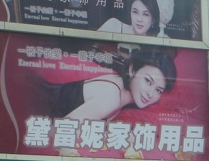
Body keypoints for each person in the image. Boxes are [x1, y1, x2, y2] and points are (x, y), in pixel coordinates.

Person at [28, 48, 177, 122]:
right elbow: (58, 131)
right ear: (132, 70)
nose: (150, 94)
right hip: (33, 103)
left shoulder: (121, 89)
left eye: (159, 90)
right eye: (148, 81)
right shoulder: (111, 98)